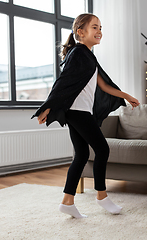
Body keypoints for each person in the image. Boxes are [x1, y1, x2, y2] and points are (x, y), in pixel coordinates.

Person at [32, 13, 140, 218]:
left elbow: (103, 84)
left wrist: (126, 95)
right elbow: (64, 81)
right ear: (80, 32)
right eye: (94, 27)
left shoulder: (87, 55)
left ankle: (67, 201)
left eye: (100, 28)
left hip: (79, 112)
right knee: (102, 149)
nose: (99, 31)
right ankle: (102, 195)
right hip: (78, 112)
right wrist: (48, 106)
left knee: (81, 155)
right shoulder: (79, 53)